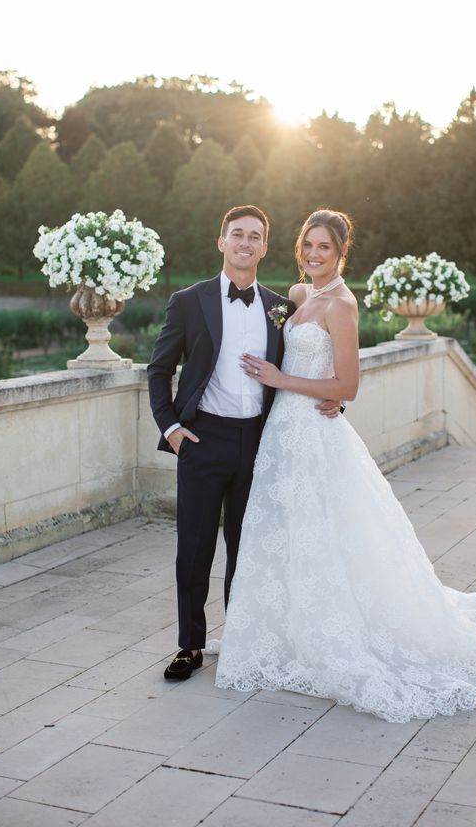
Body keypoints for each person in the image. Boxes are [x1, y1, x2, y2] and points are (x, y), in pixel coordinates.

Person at [215, 208, 476, 722]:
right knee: (284, 530)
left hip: (315, 435)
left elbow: (347, 387)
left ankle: (335, 635)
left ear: (342, 253)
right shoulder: (299, 297)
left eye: (325, 247)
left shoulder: (342, 304)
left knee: (326, 536)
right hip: (281, 435)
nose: (314, 254)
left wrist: (283, 380)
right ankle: (280, 628)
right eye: (308, 245)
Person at [147, 205, 341, 681]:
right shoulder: (189, 301)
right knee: (193, 549)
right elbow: (158, 369)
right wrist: (171, 429)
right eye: (237, 234)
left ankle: (241, 640)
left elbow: (312, 362)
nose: (245, 243)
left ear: (264, 247)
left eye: (255, 236)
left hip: (261, 441)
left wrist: (337, 401)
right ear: (222, 242)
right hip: (202, 438)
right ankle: (190, 646)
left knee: (248, 548)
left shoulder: (281, 307)